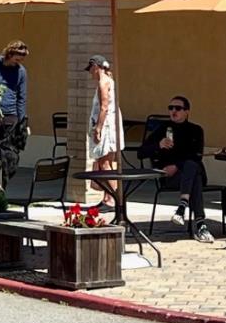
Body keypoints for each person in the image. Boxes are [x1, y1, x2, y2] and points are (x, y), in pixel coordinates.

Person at [138, 95, 213, 242]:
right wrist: (158, 145)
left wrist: (177, 165)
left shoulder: (196, 130)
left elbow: (197, 156)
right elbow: (141, 153)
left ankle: (182, 207)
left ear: (187, 111)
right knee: (194, 176)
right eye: (170, 108)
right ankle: (199, 224)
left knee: (192, 166)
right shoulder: (163, 129)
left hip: (185, 173)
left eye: (178, 108)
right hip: (171, 178)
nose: (173, 111)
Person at [85, 54, 122, 208]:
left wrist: (98, 128)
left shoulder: (103, 82)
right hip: (111, 124)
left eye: (91, 69)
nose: (90, 73)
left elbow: (104, 107)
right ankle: (107, 197)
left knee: (104, 164)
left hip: (106, 126)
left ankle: (115, 199)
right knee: (106, 162)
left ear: (96, 66)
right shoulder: (108, 80)